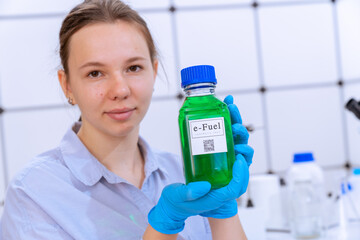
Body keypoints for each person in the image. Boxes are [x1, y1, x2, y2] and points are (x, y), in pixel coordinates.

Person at [0, 0, 254, 239]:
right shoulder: (34, 193)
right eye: (95, 73)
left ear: (153, 72)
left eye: (133, 68)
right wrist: (163, 226)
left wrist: (222, 204)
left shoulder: (186, 171)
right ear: (67, 85)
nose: (120, 90)